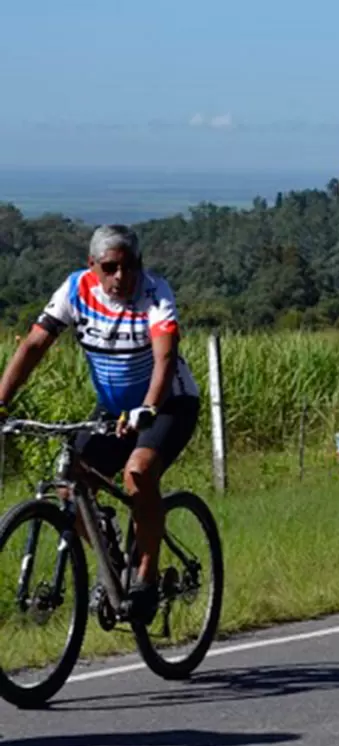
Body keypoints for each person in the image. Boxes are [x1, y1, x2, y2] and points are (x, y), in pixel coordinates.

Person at [0, 224, 199, 622]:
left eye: (128, 267)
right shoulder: (76, 290)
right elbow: (34, 344)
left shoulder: (155, 293)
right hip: (113, 410)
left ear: (139, 265)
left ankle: (146, 577)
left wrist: (147, 408)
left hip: (168, 404)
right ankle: (113, 565)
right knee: (71, 483)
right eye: (109, 268)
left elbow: (164, 358)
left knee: (138, 473)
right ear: (91, 266)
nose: (120, 277)